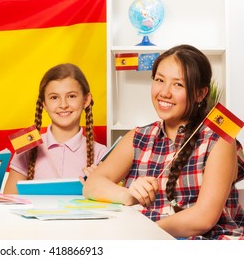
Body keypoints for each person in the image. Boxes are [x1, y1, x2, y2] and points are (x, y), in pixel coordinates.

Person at [83, 44, 244, 239]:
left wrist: (144, 233)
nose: (164, 92)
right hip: (147, 243)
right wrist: (129, 195)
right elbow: (92, 184)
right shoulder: (138, 137)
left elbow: (203, 218)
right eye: (160, 80)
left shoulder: (219, 140)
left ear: (201, 94)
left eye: (178, 84)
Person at [4, 63, 107, 194]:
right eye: (54, 97)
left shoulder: (101, 154)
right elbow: (8, 204)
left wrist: (97, 186)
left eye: (71, 96)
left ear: (86, 100)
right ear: (44, 104)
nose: (63, 105)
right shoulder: (27, 147)